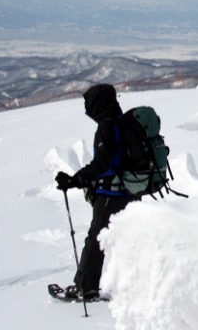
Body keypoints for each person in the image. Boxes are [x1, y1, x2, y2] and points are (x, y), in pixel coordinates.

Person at [54, 83, 139, 300]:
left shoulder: (107, 126)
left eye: (88, 104)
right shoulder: (125, 121)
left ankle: (86, 288)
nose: (87, 109)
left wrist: (75, 180)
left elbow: (102, 163)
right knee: (128, 238)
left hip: (112, 195)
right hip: (132, 192)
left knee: (96, 240)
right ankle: (140, 283)